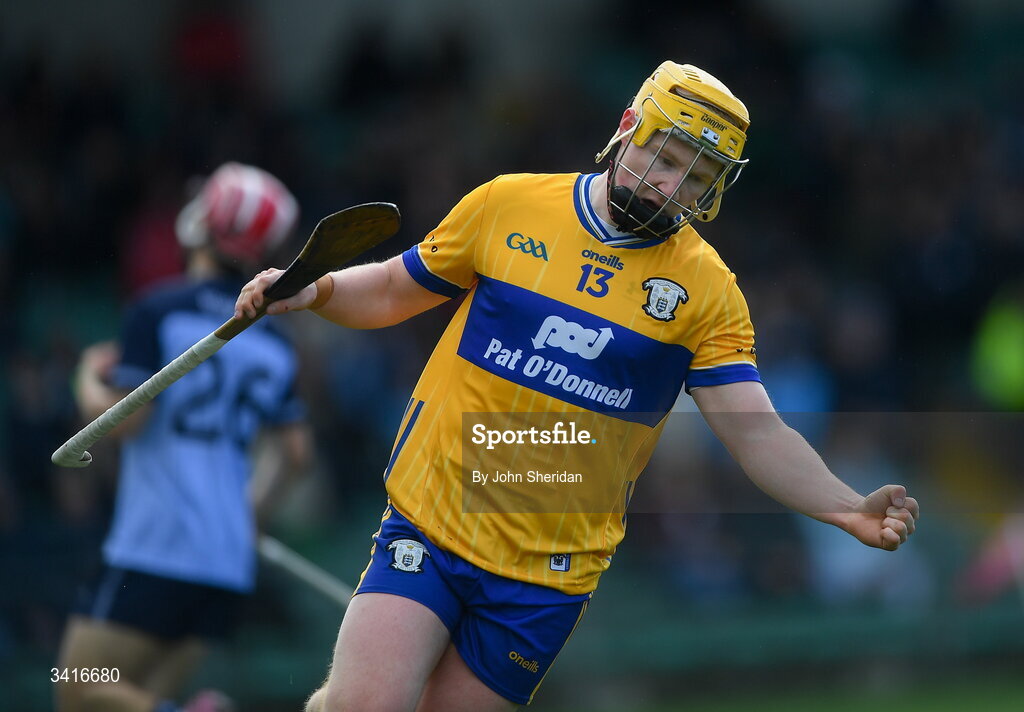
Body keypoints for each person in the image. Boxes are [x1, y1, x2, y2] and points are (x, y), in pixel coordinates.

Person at [236, 61, 920, 712]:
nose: (671, 185)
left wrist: (844, 507)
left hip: (547, 574)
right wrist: (317, 289)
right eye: (669, 156)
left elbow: (754, 431)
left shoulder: (708, 294)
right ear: (629, 126)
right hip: (434, 518)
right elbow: (390, 289)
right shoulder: (509, 205)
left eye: (697, 175)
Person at [56, 163, 313, 712]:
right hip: (226, 558)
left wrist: (86, 377)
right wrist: (248, 519)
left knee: (76, 687)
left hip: (156, 545)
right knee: (143, 698)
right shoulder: (276, 342)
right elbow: (296, 454)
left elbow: (126, 423)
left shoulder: (157, 310)